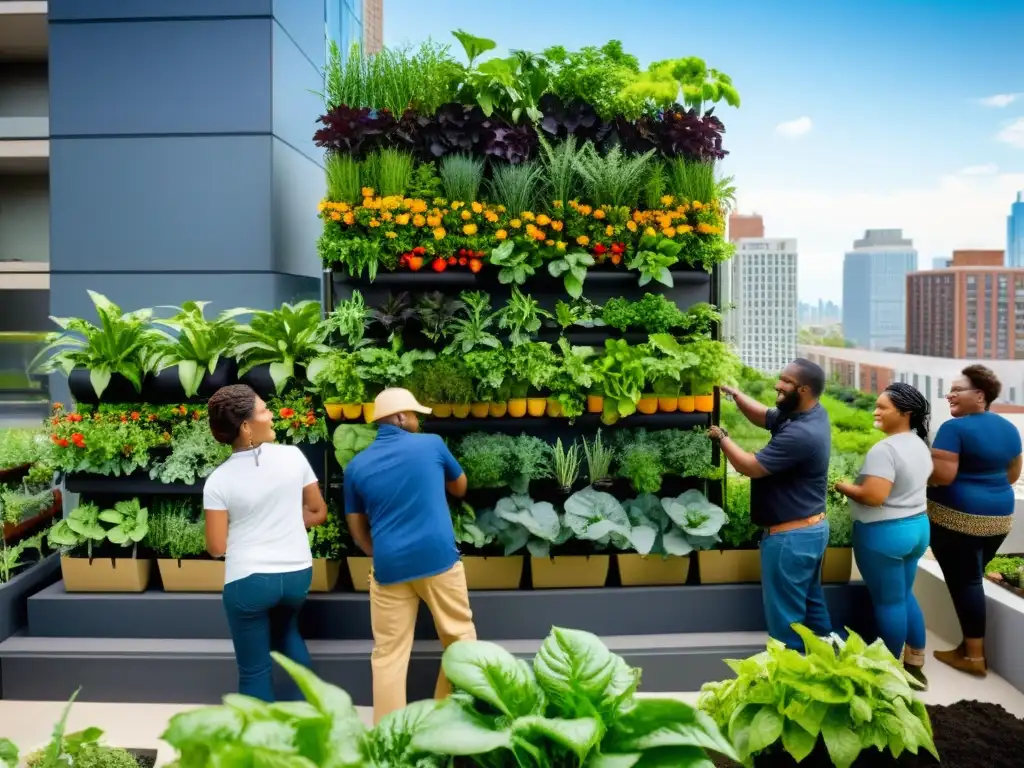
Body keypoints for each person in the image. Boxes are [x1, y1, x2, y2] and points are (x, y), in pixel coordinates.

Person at [344, 387, 476, 724]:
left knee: (388, 653)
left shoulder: (356, 467)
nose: (418, 420)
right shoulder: (431, 445)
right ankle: (446, 717)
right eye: (414, 414)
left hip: (389, 567)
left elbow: (356, 526)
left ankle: (389, 736)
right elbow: (460, 487)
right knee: (460, 639)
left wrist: (376, 550)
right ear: (400, 417)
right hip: (438, 560)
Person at [203, 384, 327, 701]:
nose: (271, 415)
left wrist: (252, 532)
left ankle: (260, 747)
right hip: (297, 576)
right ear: (246, 426)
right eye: (263, 410)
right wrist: (283, 520)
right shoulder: (293, 456)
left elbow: (216, 547)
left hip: (249, 583)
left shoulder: (219, 480)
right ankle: (315, 722)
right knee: (287, 635)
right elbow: (317, 511)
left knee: (254, 671)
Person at [708, 359, 833, 649]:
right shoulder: (808, 412)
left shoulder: (801, 434)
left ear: (803, 389)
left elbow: (750, 467)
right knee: (813, 610)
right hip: (810, 531)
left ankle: (789, 679)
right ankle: (830, 666)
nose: (777, 384)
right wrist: (736, 396)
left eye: (785, 381)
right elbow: (765, 416)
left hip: (790, 539)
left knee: (785, 623)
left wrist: (723, 437)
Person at [834, 383, 932, 686]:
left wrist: (841, 485)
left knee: (889, 603)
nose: (875, 411)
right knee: (903, 594)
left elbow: (873, 496)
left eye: (883, 407)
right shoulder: (918, 442)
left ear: (905, 412)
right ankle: (915, 661)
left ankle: (887, 673)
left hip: (884, 534)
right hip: (917, 528)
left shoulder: (885, 449)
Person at [927, 365, 1023, 677]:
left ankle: (973, 656)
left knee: (966, 582)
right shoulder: (1009, 428)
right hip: (999, 519)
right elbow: (1012, 475)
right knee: (971, 577)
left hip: (959, 519)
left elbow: (942, 476)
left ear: (980, 396)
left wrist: (915, 466)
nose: (949, 395)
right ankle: (966, 649)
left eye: (958, 389)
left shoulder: (955, 429)